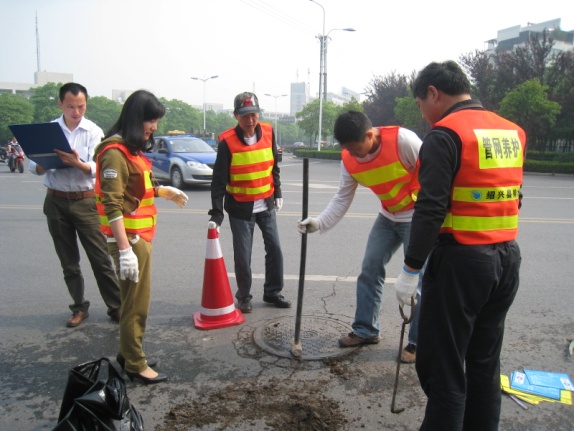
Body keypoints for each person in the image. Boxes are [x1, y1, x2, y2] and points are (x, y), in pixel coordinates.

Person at [393, 60, 525, 430]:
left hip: (461, 264)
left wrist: (410, 270)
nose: (423, 113)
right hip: (506, 261)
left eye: (420, 104)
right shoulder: (512, 132)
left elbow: (430, 208)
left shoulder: (445, 135)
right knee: (484, 363)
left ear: (433, 93)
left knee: (444, 367)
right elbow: (514, 195)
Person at [298, 110, 423, 349]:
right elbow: (342, 197)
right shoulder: (349, 158)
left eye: (355, 148)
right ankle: (366, 330)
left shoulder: (403, 141)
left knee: (420, 281)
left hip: (418, 217)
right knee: (370, 270)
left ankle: (418, 343)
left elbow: (436, 174)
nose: (352, 154)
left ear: (369, 135)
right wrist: (319, 222)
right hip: (388, 216)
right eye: (347, 149)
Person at [94, 89, 188, 384]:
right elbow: (112, 203)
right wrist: (124, 250)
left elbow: (134, 190)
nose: (154, 127)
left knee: (135, 301)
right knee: (136, 305)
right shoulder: (114, 153)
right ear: (136, 118)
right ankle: (135, 364)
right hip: (130, 241)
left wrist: (162, 191)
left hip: (139, 237)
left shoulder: (129, 150)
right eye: (151, 121)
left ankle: (128, 353)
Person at [29, 83, 121, 327]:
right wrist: (45, 163)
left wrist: (77, 163)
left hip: (86, 201)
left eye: (81, 106)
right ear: (60, 104)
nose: (76, 112)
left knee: (100, 258)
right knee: (68, 261)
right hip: (56, 200)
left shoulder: (93, 131)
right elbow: (33, 166)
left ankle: (116, 307)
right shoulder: (48, 130)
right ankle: (79, 307)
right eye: (70, 106)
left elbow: (98, 167)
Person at [209, 92, 290, 313]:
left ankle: (272, 292)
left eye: (254, 114)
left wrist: (278, 192)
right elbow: (218, 181)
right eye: (245, 116)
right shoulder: (227, 142)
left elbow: (273, 166)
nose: (250, 120)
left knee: (275, 249)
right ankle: (244, 296)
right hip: (240, 208)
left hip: (266, 204)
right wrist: (217, 213)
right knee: (243, 256)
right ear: (236, 115)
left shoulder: (269, 132)